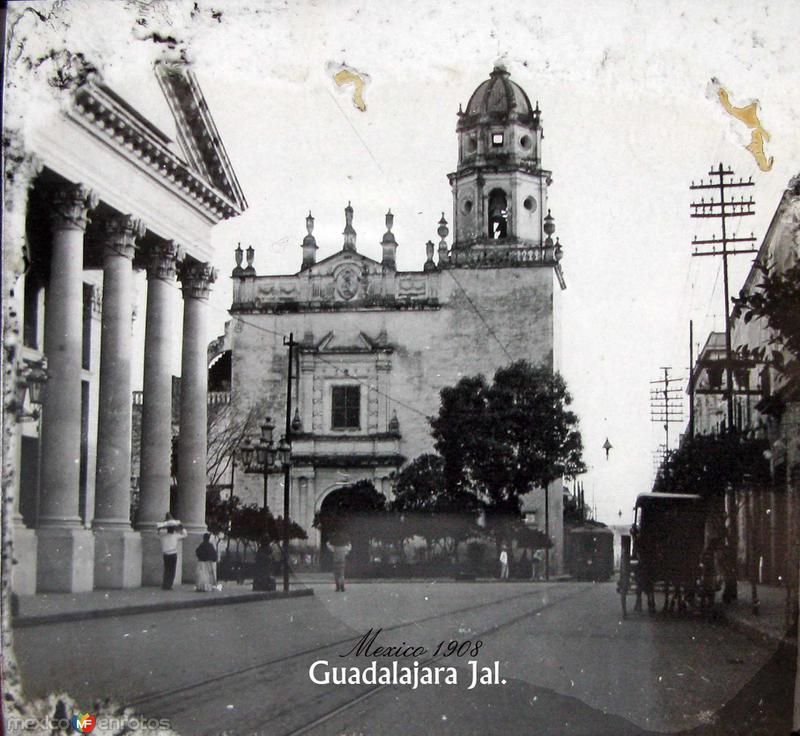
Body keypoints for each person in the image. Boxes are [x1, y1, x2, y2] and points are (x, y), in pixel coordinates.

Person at [157, 513, 187, 590]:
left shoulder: (163, 536)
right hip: (173, 554)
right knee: (172, 570)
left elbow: (158, 531)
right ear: (173, 529)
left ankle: (165, 585)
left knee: (167, 570)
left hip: (166, 554)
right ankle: (169, 585)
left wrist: (162, 526)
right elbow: (185, 534)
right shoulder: (175, 535)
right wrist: (181, 526)